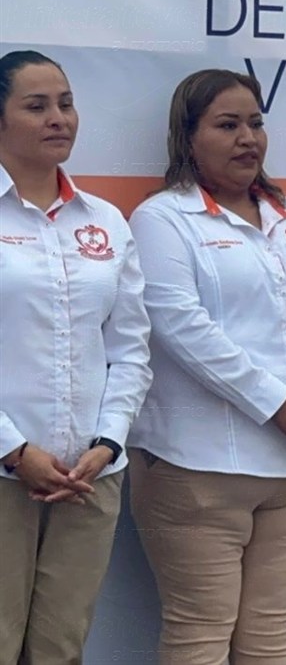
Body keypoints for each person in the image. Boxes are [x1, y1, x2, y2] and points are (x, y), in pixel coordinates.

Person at [127, 68, 286, 665]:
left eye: (255, 123)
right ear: (188, 137)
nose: (247, 139)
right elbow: (180, 326)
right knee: (199, 637)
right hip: (200, 470)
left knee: (270, 639)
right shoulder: (162, 219)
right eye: (227, 125)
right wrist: (277, 402)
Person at [0, 49, 152, 665]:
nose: (58, 118)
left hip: (88, 478)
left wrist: (108, 442)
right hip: (4, 474)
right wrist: (15, 450)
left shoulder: (105, 221)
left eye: (65, 104)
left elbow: (130, 347)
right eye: (36, 106)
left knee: (61, 649)